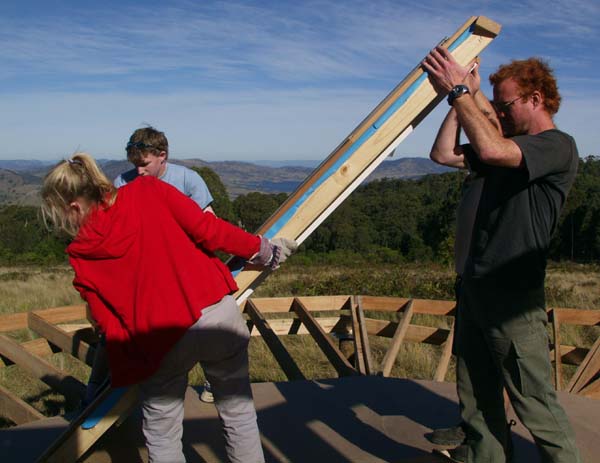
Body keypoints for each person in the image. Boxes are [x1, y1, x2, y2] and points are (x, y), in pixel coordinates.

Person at [41, 153, 297, 463]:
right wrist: (264, 250)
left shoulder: (81, 254)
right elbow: (209, 230)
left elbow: (107, 324)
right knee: (239, 415)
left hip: (161, 343)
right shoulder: (149, 190)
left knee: (163, 436)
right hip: (216, 314)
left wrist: (130, 367)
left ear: (74, 207)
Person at [422, 49, 581, 463]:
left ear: (536, 98)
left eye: (506, 104)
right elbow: (442, 154)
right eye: (496, 107)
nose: (501, 114)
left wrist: (460, 92)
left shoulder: (555, 146)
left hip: (512, 297)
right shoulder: (506, 148)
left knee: (534, 403)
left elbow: (492, 150)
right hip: (476, 286)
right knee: (476, 396)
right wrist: (465, 100)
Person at [84, 127, 218, 406]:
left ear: (162, 156)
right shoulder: (123, 181)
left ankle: (213, 381)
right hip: (142, 271)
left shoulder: (189, 180)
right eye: (136, 165)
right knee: (113, 331)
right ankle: (95, 393)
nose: (140, 171)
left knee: (206, 323)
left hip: (185, 268)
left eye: (144, 164)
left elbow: (207, 227)